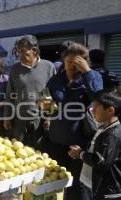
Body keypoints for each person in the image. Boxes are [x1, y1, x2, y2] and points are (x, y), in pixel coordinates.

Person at [44, 43, 103, 200]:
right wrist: (44, 105)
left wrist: (87, 72)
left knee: (80, 185)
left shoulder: (92, 77)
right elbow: (49, 106)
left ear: (84, 61)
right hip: (56, 140)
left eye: (76, 62)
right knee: (56, 180)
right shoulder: (56, 80)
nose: (71, 65)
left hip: (80, 142)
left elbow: (99, 98)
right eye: (68, 61)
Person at [68, 88, 121, 200]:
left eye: (96, 107)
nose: (92, 110)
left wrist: (81, 154)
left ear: (110, 110)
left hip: (108, 191)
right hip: (96, 186)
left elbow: (101, 162)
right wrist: (81, 153)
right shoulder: (104, 127)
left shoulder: (112, 135)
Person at [4, 35, 56, 146]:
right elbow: (9, 95)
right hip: (19, 120)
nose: (20, 55)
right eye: (18, 52)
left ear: (35, 51)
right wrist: (7, 117)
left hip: (39, 120)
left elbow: (50, 94)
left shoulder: (48, 67)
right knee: (19, 151)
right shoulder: (15, 69)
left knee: (39, 152)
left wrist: (49, 117)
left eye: (24, 52)